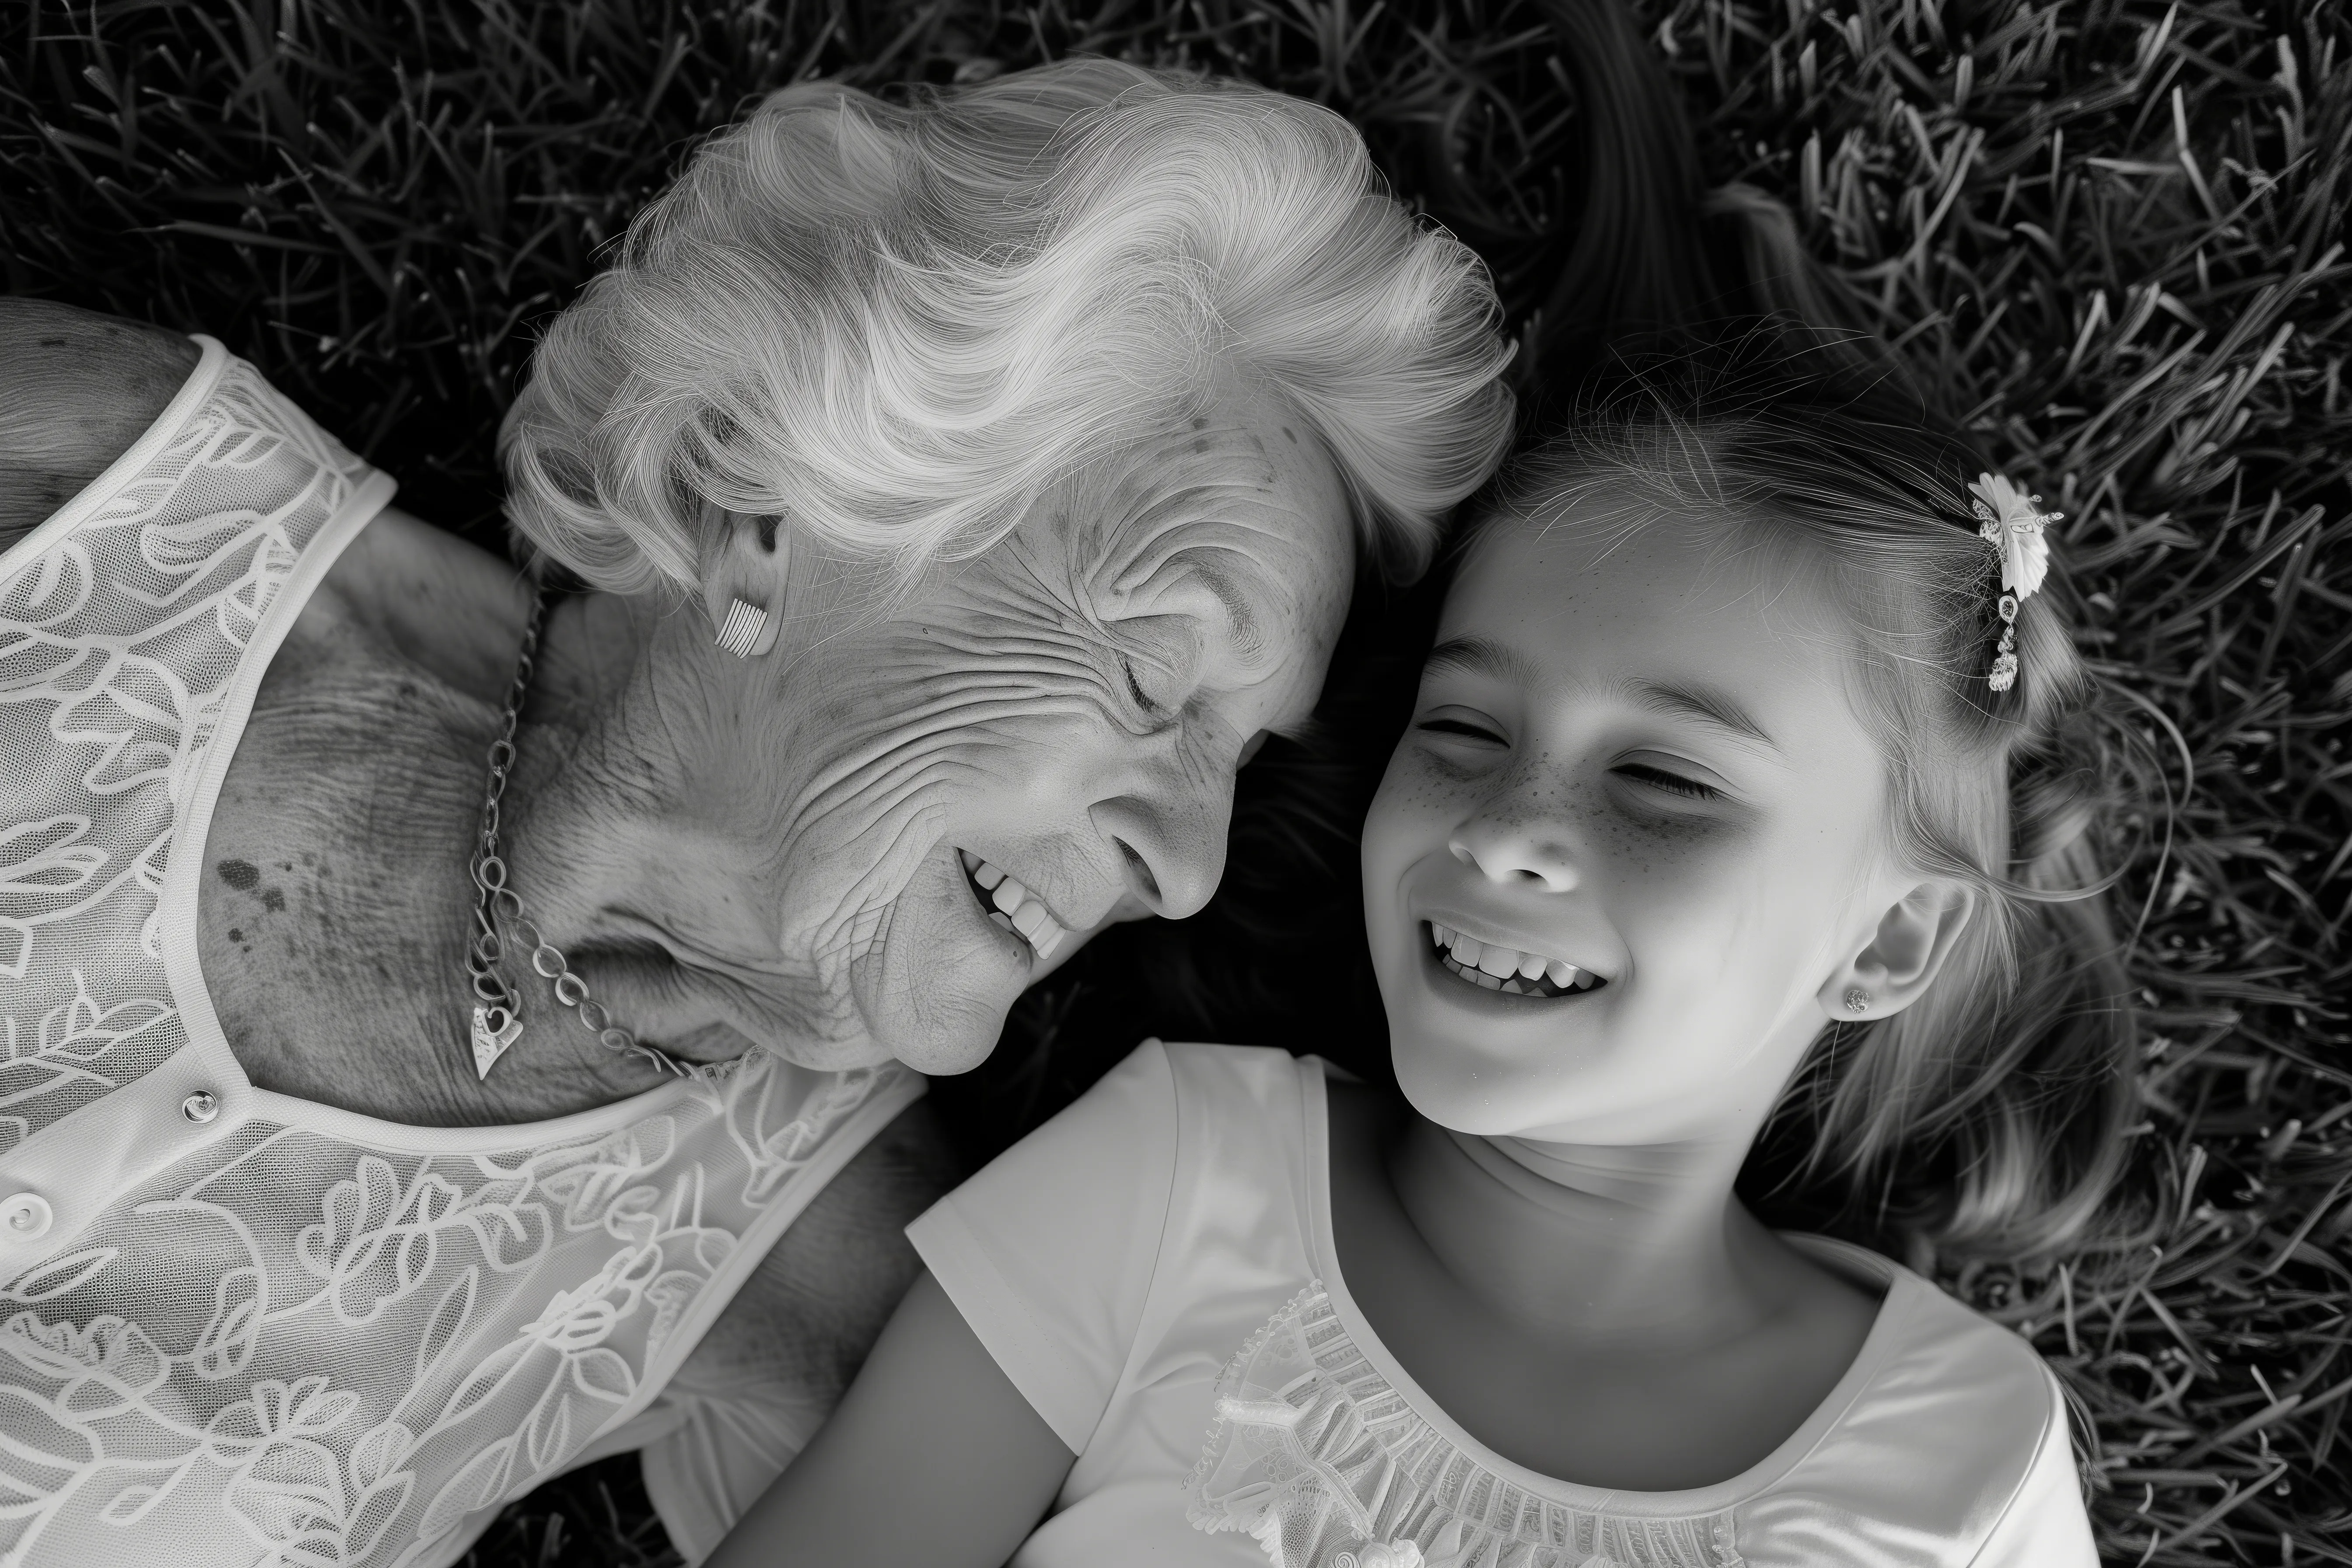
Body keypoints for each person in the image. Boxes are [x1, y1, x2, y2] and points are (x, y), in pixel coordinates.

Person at [0, 59, 1519, 1566]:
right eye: (1148, 671)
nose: (1185, 870)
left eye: (1240, 763)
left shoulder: (845, 1273)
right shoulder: (108, 503)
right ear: (760, 508)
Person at [708, 330, 2139, 1566]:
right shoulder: (1174, 1183)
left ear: (1887, 940)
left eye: (1667, 785)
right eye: (1462, 733)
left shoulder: (1960, 1458)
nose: (1510, 829)